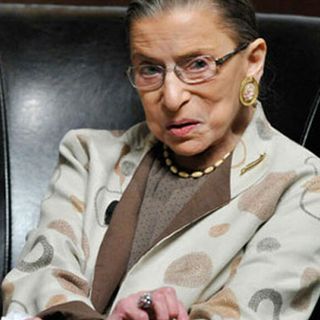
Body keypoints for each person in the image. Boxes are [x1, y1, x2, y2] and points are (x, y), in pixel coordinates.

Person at [2, 0, 320, 319]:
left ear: (252, 61)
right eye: (150, 69)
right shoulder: (88, 155)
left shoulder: (304, 186)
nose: (171, 97)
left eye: (198, 64)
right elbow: (37, 284)